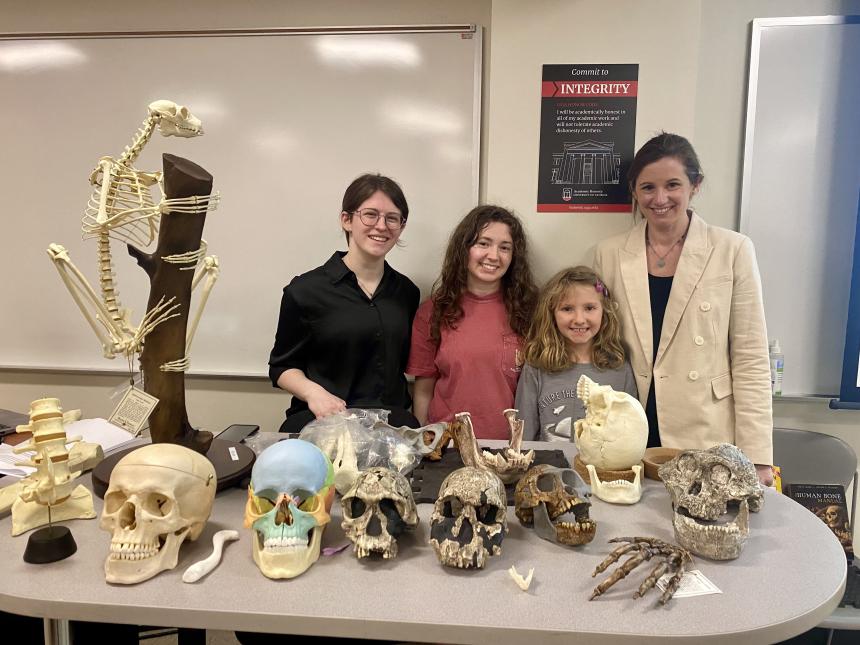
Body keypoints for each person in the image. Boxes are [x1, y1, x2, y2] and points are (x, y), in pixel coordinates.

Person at [593, 132, 774, 485]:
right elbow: (601, 346)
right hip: (632, 426)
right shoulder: (609, 253)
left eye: (672, 185)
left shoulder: (732, 249)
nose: (660, 199)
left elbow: (751, 356)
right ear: (634, 191)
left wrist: (758, 456)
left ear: (695, 185)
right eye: (648, 187)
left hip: (705, 426)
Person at [268, 173, 420, 434]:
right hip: (324, 423)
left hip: (390, 426)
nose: (381, 226)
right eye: (370, 215)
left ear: (401, 226)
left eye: (392, 218)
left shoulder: (407, 292)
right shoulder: (305, 290)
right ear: (347, 220)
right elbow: (282, 367)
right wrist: (314, 393)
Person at [407, 205, 537, 439]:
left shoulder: (530, 311)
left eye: (505, 247)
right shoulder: (433, 311)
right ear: (464, 248)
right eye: (483, 243)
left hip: (510, 447)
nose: (494, 256)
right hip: (449, 443)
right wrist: (423, 443)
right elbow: (424, 389)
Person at [515, 266, 637, 442]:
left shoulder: (620, 369)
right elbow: (522, 439)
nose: (579, 319)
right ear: (551, 313)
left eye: (589, 308)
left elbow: (630, 437)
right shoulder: (536, 367)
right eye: (567, 309)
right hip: (549, 468)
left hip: (602, 469)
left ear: (605, 311)